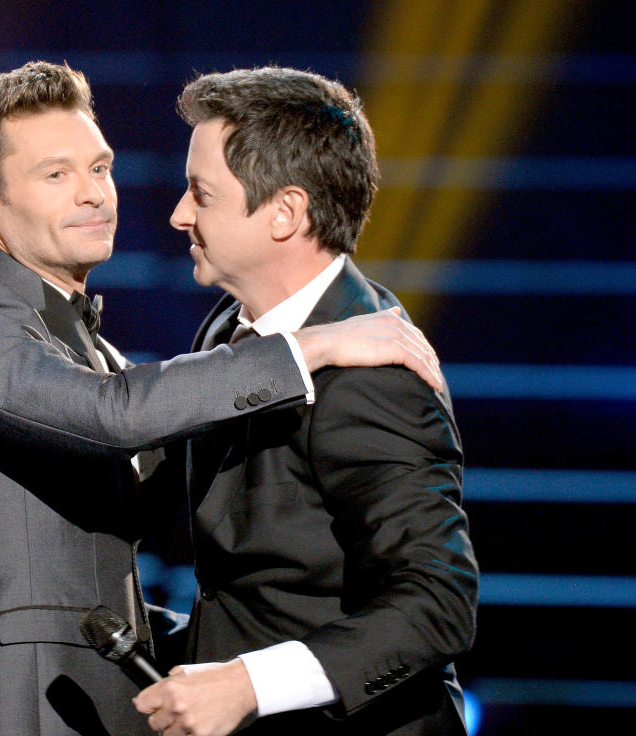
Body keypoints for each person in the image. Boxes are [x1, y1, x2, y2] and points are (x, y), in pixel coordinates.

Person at [0, 62, 445, 736]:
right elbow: (110, 415)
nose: (97, 195)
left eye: (100, 168)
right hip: (14, 704)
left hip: (103, 704)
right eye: (56, 175)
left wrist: (233, 671)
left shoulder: (97, 343)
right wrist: (311, 348)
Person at [134, 68, 478, 736]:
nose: (179, 213)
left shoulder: (376, 375)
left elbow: (438, 602)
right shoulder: (228, 328)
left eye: (201, 194)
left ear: (286, 213)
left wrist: (248, 684)